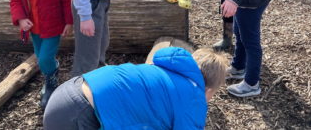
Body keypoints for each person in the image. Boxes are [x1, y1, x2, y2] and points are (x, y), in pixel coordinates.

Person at [43, 47, 227, 130]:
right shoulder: (195, 98)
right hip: (79, 116)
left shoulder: (166, 70)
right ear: (208, 91)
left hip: (68, 91)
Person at [9, 0, 73, 108]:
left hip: (53, 25)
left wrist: (69, 22)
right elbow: (15, 0)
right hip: (33, 25)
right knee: (39, 56)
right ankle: (51, 69)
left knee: (44, 58)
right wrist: (21, 18)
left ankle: (51, 83)